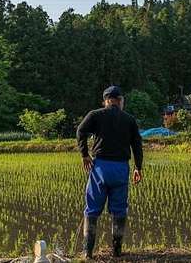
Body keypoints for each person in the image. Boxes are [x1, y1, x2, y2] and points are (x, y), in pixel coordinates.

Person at [76, 85, 143, 259]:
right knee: (119, 210)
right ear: (120, 101)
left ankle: (87, 252)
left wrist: (84, 154)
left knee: (92, 210)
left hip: (100, 168)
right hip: (121, 168)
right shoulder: (129, 119)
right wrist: (138, 167)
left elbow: (80, 131)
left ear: (106, 101)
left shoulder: (95, 115)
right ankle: (117, 252)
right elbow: (137, 144)